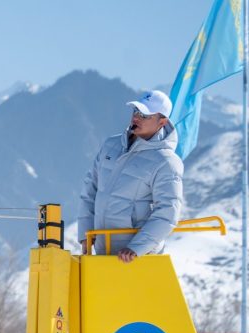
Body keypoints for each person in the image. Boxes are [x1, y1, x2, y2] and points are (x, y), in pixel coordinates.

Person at [77, 89, 184, 263]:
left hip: (138, 259)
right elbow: (91, 188)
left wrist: (137, 248)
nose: (136, 118)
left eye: (145, 115)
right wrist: (85, 233)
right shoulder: (111, 145)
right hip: (103, 250)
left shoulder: (167, 162)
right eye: (136, 111)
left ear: (162, 121)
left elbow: (168, 212)